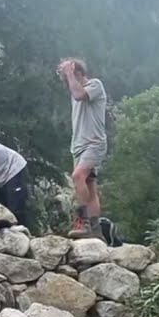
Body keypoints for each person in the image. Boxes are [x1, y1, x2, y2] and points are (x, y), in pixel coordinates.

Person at [57, 57, 108, 239]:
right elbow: (75, 94)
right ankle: (96, 230)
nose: (67, 81)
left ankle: (84, 222)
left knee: (78, 176)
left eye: (69, 76)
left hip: (94, 143)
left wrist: (70, 73)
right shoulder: (74, 90)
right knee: (90, 186)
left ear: (78, 72)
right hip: (78, 146)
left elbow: (80, 95)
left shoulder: (95, 85)